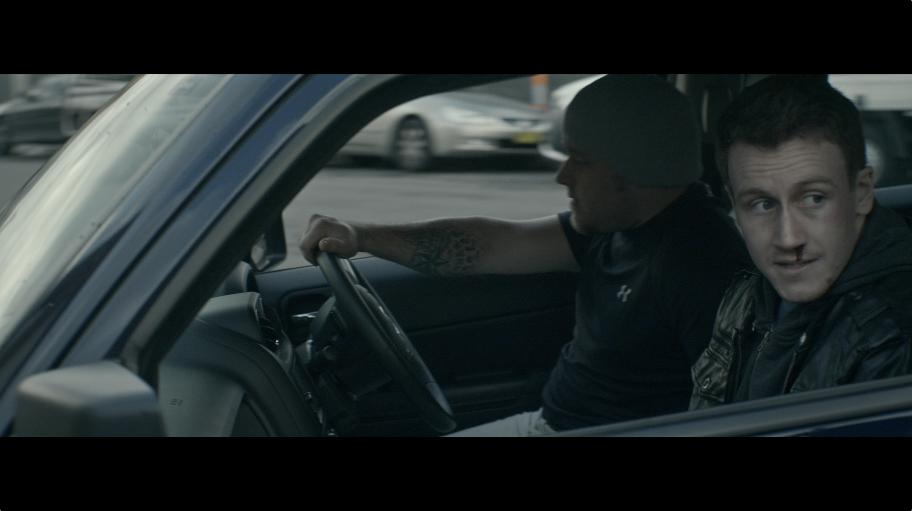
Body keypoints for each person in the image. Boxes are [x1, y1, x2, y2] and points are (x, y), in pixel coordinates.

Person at [301, 75, 749, 435]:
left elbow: (720, 413)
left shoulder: (700, 262)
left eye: (580, 160)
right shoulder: (617, 225)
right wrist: (360, 236)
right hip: (551, 421)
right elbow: (492, 245)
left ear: (632, 168)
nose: (562, 175)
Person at [690, 76, 912, 409]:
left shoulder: (893, 336)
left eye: (813, 198)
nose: (789, 238)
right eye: (762, 204)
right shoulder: (745, 296)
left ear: (862, 193)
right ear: (733, 205)